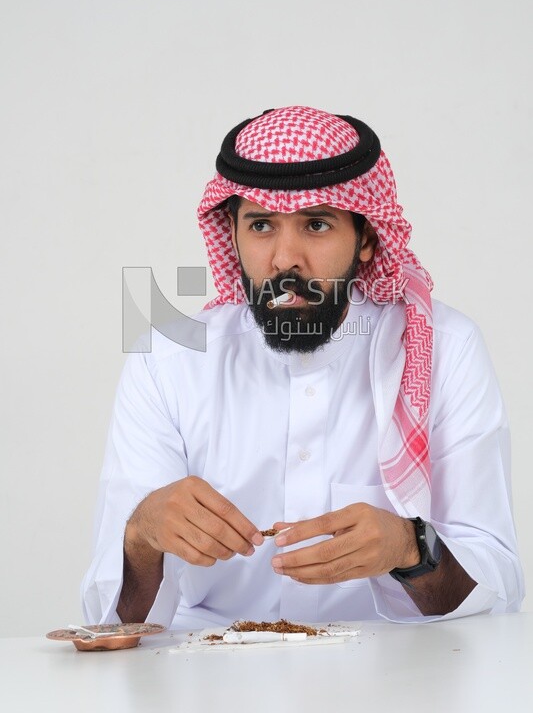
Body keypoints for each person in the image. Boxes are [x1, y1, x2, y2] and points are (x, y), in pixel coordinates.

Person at [82, 106, 524, 629]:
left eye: (316, 224)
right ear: (233, 234)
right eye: (262, 225)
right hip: (208, 676)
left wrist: (411, 548)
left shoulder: (447, 349)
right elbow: (112, 623)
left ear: (365, 239)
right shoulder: (168, 362)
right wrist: (141, 536)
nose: (284, 258)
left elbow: (497, 595)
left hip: (391, 677)